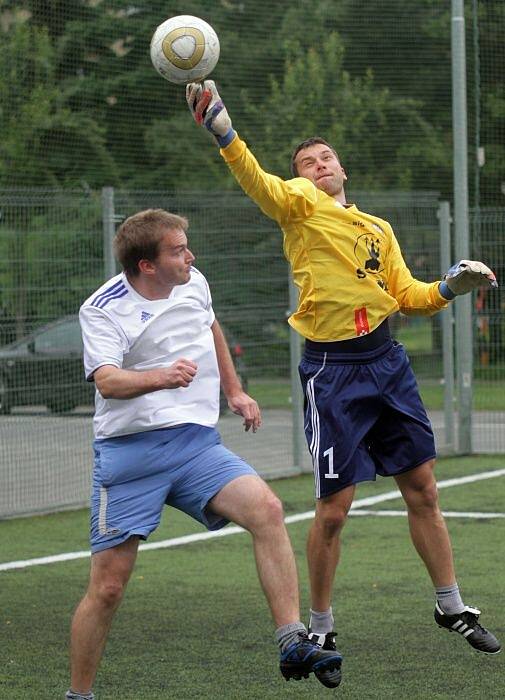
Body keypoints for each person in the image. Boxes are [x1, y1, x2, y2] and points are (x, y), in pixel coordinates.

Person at [185, 81, 502, 675]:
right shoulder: (300, 206)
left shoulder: (377, 228)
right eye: (307, 162)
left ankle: (450, 605)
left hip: (388, 363)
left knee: (424, 490)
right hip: (333, 371)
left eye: (324, 158)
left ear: (342, 168)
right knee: (334, 510)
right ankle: (322, 628)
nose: (317, 165)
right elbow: (261, 182)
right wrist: (225, 132)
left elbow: (407, 296)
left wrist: (452, 285)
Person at [65, 209, 342, 700]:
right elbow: (107, 380)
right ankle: (79, 695)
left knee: (268, 510)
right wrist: (161, 376)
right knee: (108, 588)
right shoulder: (103, 308)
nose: (189, 256)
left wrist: (234, 391)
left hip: (196, 447)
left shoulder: (194, 282)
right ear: (147, 265)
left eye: (186, 245)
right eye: (177, 250)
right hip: (131, 457)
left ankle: (291, 640)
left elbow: (210, 326)